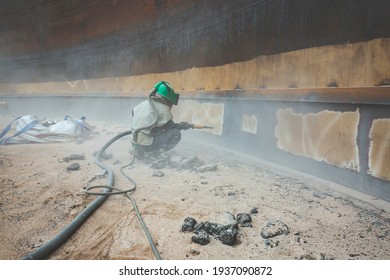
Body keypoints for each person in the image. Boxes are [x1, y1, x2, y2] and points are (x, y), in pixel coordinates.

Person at [130, 81, 192, 161]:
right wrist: (182, 126)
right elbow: (170, 127)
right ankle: (153, 153)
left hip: (134, 142)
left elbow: (133, 113)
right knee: (176, 134)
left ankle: (139, 152)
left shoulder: (143, 103)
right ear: (166, 100)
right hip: (146, 144)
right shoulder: (163, 108)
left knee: (157, 130)